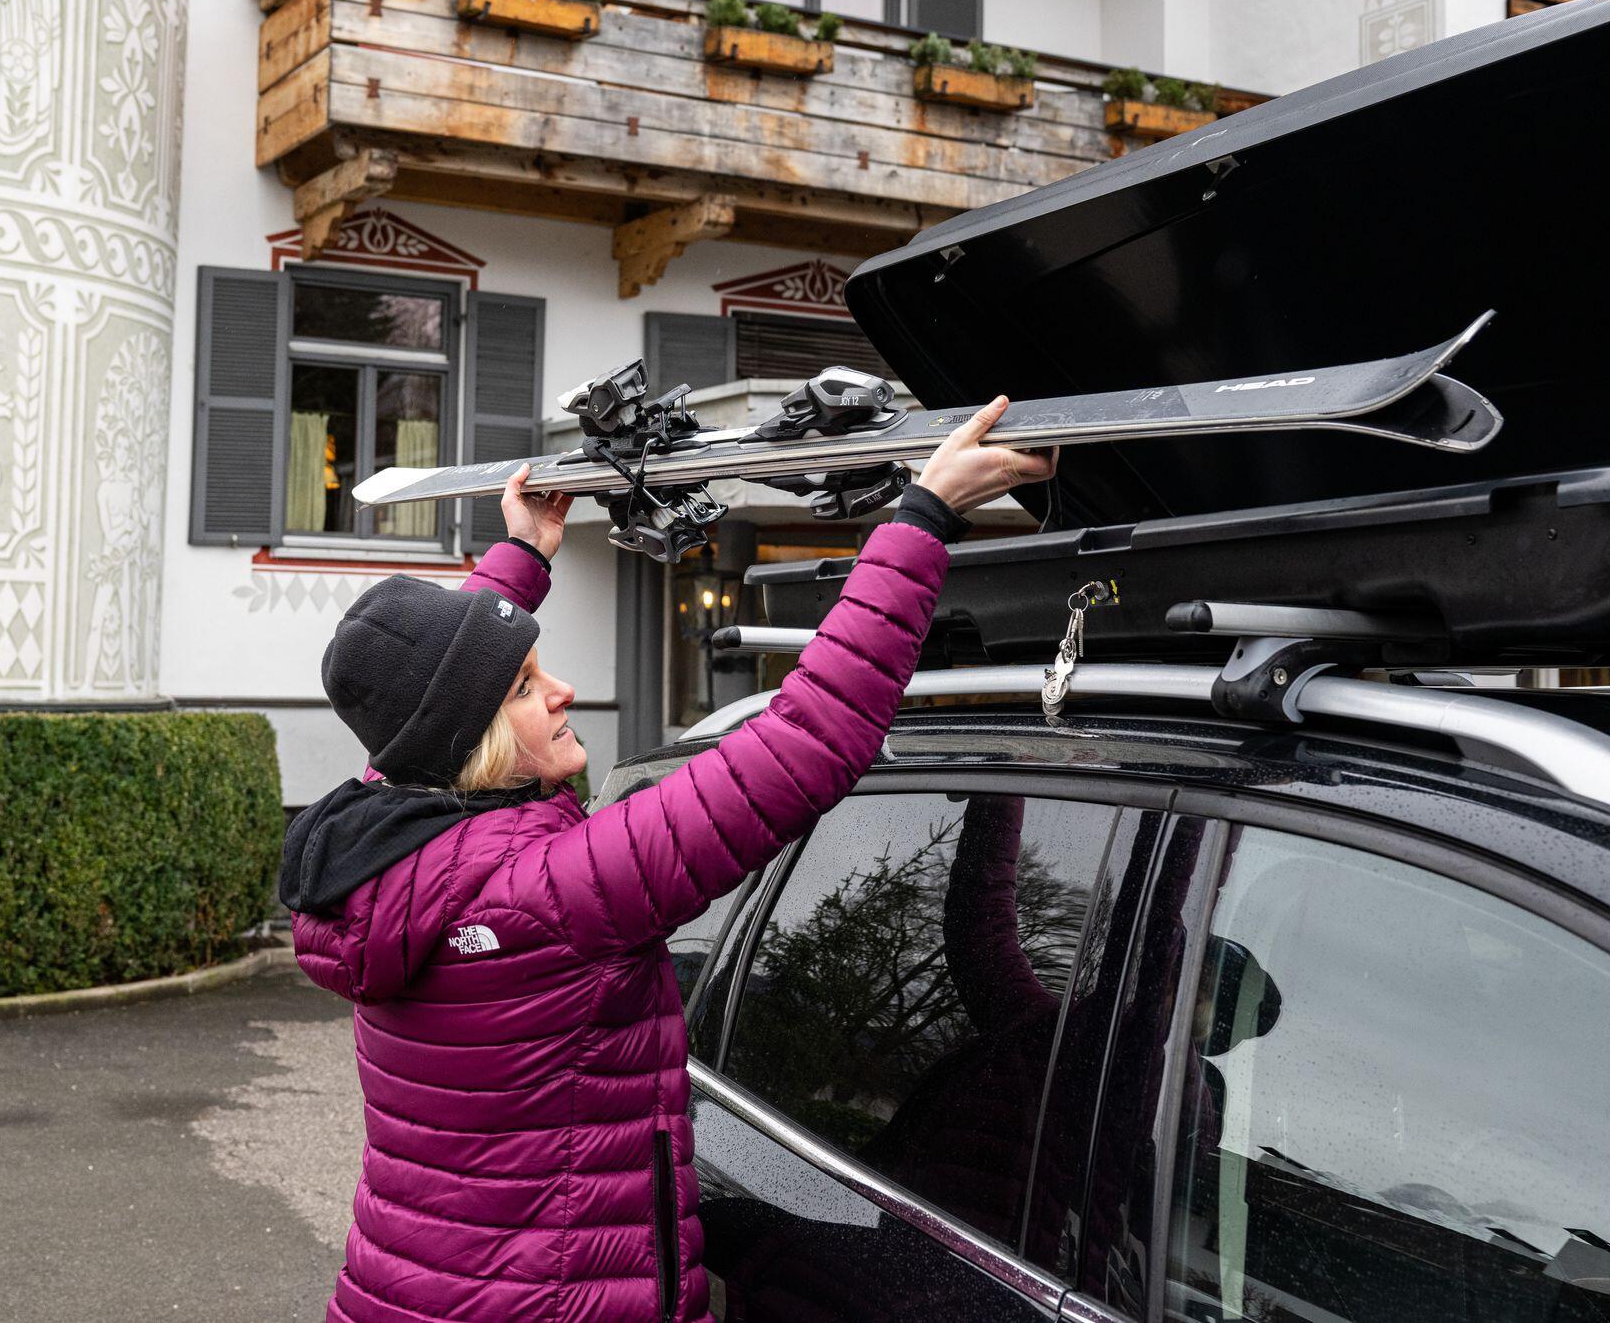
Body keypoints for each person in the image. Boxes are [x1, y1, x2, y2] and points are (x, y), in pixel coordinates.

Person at [280, 398, 1056, 1323]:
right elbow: (806, 743)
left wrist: (519, 562)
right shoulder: (553, 894)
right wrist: (922, 517)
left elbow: (423, 711)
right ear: (473, 740)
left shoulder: (381, 852)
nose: (563, 690)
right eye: (525, 687)